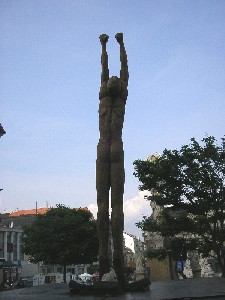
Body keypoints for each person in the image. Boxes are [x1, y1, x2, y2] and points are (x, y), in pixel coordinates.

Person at [96, 33, 129, 286]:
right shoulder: (115, 98)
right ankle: (109, 260)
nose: (114, 80)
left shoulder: (108, 97)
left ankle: (112, 260)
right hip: (111, 148)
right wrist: (112, 45)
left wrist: (113, 45)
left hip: (106, 147)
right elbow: (110, 69)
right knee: (108, 206)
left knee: (107, 206)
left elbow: (111, 69)